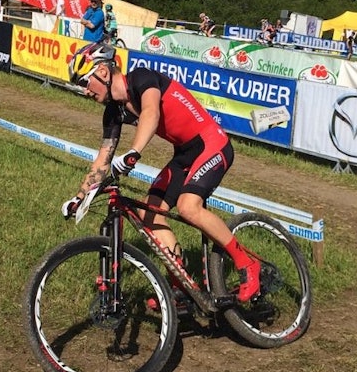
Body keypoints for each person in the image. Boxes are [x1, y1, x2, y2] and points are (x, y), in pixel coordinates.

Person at [63, 42, 262, 302]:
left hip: (212, 144)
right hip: (185, 154)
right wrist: (79, 197)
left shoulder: (142, 78)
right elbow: (103, 158)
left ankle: (247, 263)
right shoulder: (113, 111)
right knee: (149, 213)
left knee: (188, 207)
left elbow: (151, 113)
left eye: (84, 82)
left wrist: (134, 151)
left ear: (102, 72)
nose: (84, 91)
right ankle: (180, 285)